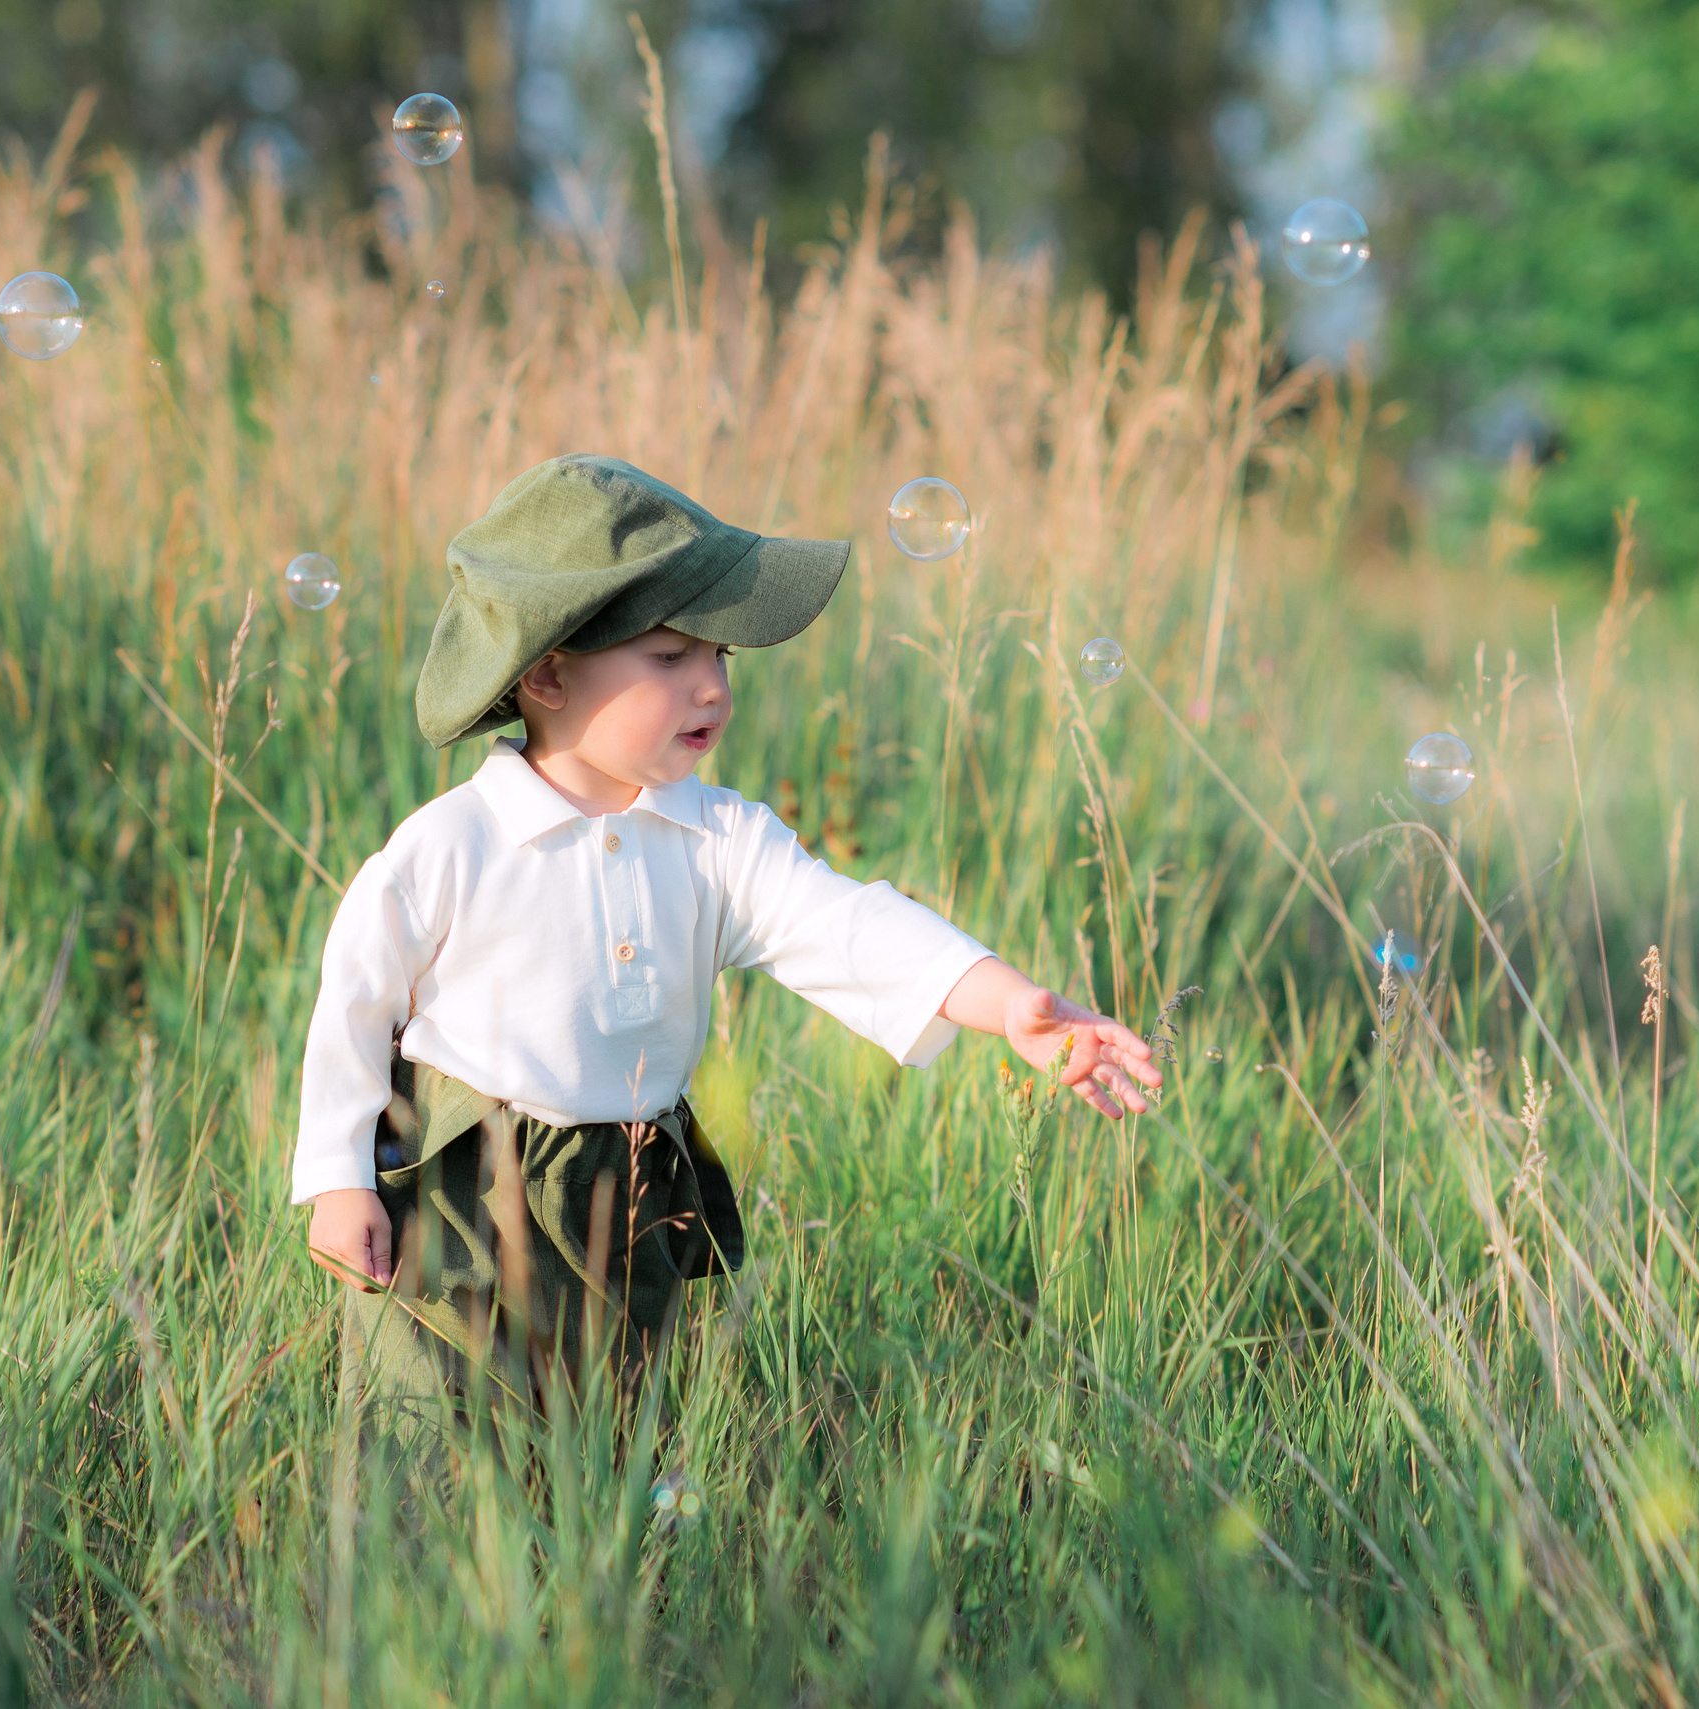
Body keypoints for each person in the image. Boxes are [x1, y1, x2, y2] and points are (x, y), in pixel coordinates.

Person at [296, 455, 1161, 1400]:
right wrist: (339, 1176)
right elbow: (356, 1001)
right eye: (671, 659)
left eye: (720, 657)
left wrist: (1006, 1004)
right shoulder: (455, 844)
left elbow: (843, 925)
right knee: (442, 1425)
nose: (712, 686)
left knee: (617, 1425)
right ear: (548, 674)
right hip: (466, 1188)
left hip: (626, 1187)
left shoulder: (716, 838)